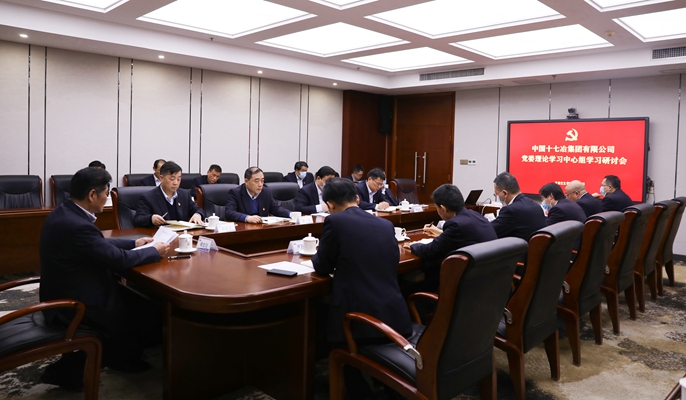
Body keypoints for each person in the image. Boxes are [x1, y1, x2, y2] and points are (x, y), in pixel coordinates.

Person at [39, 167, 170, 390]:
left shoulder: (66, 212)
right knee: (145, 308)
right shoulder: (77, 225)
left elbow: (97, 243)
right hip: (74, 301)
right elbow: (119, 260)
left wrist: (133, 243)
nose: (107, 199)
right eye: (106, 194)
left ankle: (121, 353)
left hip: (63, 288)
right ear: (92, 194)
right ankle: (112, 360)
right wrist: (154, 251)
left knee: (141, 302)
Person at [312, 178, 412, 399]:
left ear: (330, 204)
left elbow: (323, 266)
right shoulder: (385, 224)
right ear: (357, 199)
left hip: (358, 320)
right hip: (393, 313)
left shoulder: (334, 221)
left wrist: (315, 254)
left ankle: (359, 392)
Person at [405, 184, 497, 264]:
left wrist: (414, 245)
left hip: (473, 276)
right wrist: (441, 233)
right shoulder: (476, 215)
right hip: (490, 272)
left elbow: (430, 251)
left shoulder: (455, 225)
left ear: (443, 209)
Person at [133, 161, 205, 227]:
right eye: (172, 179)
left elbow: (199, 210)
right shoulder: (148, 197)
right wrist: (151, 219)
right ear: (161, 178)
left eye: (178, 179)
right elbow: (138, 219)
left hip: (182, 234)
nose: (176, 183)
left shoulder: (184, 194)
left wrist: (197, 215)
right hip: (159, 234)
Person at [491, 172, 546, 240]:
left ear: (505, 193)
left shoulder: (510, 211)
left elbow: (490, 232)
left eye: (496, 194)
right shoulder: (535, 205)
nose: (497, 196)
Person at [225, 167, 292, 223]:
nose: (260, 184)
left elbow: (275, 209)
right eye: (256, 181)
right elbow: (229, 212)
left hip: (261, 228)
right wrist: (247, 218)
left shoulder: (265, 192)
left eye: (262, 181)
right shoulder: (235, 193)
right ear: (246, 181)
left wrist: (290, 214)